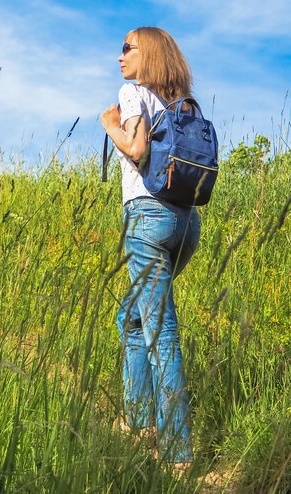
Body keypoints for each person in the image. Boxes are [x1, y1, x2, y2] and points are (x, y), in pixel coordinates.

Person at [100, 27, 201, 467]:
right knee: (132, 318)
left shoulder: (133, 94)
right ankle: (139, 424)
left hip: (148, 219)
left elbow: (137, 148)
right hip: (186, 223)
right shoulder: (177, 105)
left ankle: (176, 453)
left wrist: (108, 125)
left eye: (128, 48)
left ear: (150, 55)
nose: (120, 55)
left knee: (160, 332)